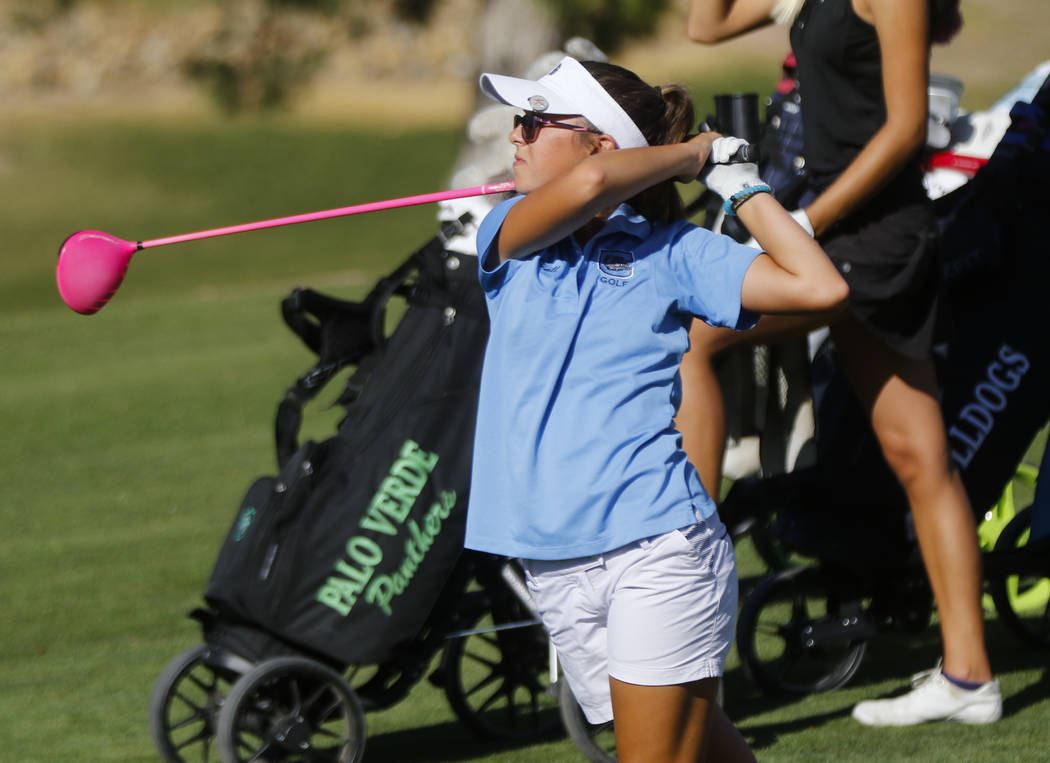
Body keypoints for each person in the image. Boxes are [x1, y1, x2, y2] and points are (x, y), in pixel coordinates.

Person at [463, 55, 847, 761]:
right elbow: (588, 185)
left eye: (536, 121)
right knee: (695, 745)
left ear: (601, 141)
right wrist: (691, 153)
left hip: (658, 544)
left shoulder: (674, 252)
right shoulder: (507, 233)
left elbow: (820, 287)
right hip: (553, 558)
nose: (515, 135)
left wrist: (738, 185)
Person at [686, 0, 1004, 726]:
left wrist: (808, 223)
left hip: (870, 239)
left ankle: (679, 601)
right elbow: (704, 26)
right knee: (919, 457)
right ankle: (969, 676)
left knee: (698, 336)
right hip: (842, 235)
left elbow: (905, 127)